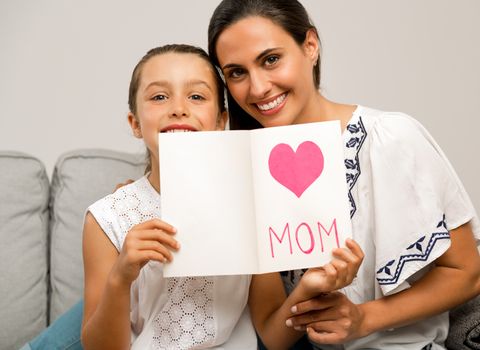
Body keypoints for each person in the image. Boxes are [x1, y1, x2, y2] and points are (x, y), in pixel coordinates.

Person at [21, 43, 363, 350]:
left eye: (196, 97)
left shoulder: (249, 205)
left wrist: (308, 289)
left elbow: (274, 336)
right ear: (135, 123)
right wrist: (121, 276)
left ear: (220, 121)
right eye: (159, 97)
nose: (178, 109)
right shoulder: (108, 218)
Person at [206, 0, 480, 349]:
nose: (258, 88)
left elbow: (467, 273)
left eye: (271, 59)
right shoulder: (248, 175)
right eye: (237, 73)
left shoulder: (389, 137)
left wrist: (365, 318)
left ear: (310, 46)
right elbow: (274, 335)